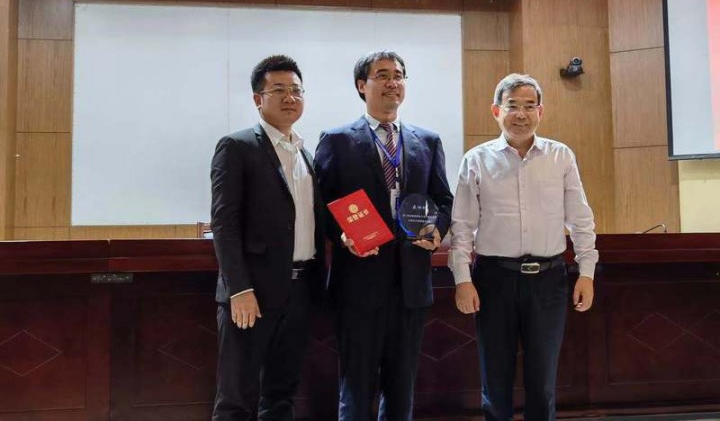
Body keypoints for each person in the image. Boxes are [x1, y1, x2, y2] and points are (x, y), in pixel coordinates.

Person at [448, 73, 598, 421]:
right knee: (495, 381)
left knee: (542, 382)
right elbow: (462, 226)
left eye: (530, 106)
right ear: (496, 111)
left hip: (548, 280)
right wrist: (462, 279)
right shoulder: (476, 159)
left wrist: (587, 273)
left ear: (540, 112)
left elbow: (580, 219)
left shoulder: (560, 156)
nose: (521, 114)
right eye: (512, 106)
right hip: (494, 279)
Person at [314, 50, 454, 421]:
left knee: (401, 386)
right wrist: (342, 236)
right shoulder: (337, 140)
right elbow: (320, 205)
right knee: (357, 385)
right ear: (362, 85)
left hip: (410, 283)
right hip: (358, 283)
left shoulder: (428, 141)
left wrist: (437, 230)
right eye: (382, 75)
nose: (392, 82)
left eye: (398, 75)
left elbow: (443, 199)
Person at [210, 55, 325, 421]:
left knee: (281, 394)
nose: (290, 97)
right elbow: (224, 223)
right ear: (258, 99)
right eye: (279, 90)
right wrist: (239, 289)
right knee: (237, 398)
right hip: (253, 294)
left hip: (300, 290)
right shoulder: (237, 146)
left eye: (296, 90)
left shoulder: (306, 154)